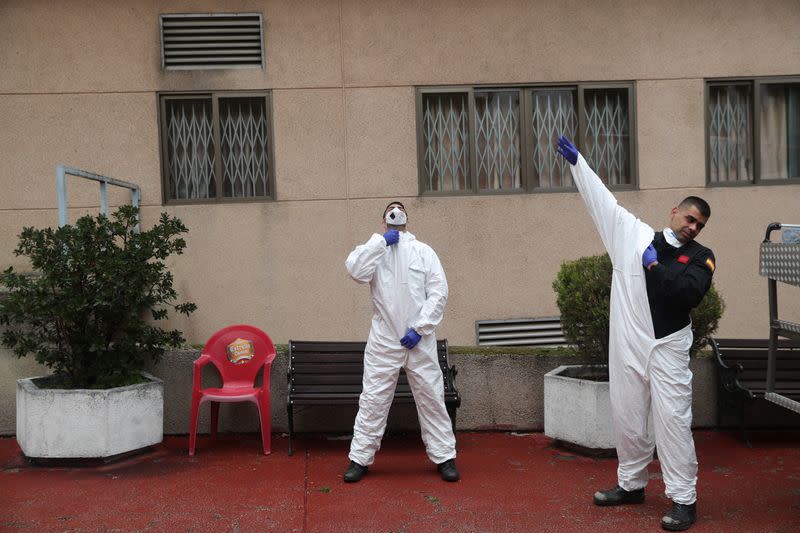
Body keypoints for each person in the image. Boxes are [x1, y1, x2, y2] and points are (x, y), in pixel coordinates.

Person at [556, 136, 715, 531]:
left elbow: (686, 293)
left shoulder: (701, 257)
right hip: (628, 340)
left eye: (699, 224)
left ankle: (683, 499)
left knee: (673, 420)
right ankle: (631, 484)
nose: (692, 227)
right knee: (626, 414)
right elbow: (603, 202)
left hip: (667, 347)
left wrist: (655, 268)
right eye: (689, 218)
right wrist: (579, 165)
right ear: (674, 211)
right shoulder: (632, 235)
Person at [342, 201, 459, 483]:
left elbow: (439, 292)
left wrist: (420, 328)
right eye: (390, 210)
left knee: (431, 398)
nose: (395, 212)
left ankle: (445, 457)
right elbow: (354, 270)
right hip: (384, 341)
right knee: (373, 400)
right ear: (383, 220)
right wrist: (379, 243)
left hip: (419, 341)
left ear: (407, 218)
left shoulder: (423, 252)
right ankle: (359, 458)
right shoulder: (375, 251)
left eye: (399, 208)